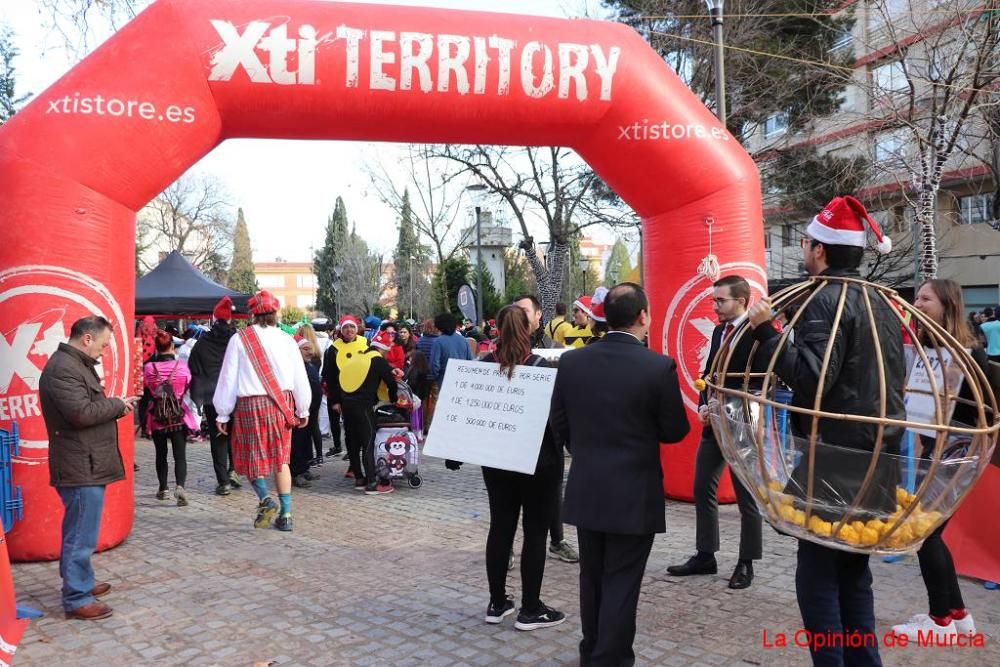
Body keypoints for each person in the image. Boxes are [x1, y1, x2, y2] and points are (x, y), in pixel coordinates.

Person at [747, 195, 905, 667]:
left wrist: (767, 332)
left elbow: (815, 379)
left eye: (808, 242)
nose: (803, 248)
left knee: (817, 574)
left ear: (820, 251)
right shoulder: (879, 300)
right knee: (855, 574)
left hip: (835, 452)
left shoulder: (825, 299)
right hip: (879, 450)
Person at [551, 283, 690, 665]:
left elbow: (559, 421)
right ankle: (608, 658)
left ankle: (591, 650)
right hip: (634, 491)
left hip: (588, 485)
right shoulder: (657, 366)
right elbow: (675, 430)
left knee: (592, 579)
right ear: (643, 316)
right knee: (622, 583)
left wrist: (585, 450)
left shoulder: (573, 362)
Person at [446, 305, 567, 631]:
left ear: (496, 329)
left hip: (497, 460)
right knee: (535, 533)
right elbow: (557, 420)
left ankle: (497, 603)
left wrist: (455, 448)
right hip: (539, 462)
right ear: (529, 328)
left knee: (500, 528)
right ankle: (531, 608)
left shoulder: (483, 365)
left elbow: (466, 409)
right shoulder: (542, 366)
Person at [890, 279, 985, 640]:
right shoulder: (926, 349)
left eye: (925, 298)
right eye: (916, 296)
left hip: (956, 456)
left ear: (947, 305)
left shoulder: (967, 354)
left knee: (925, 533)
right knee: (932, 533)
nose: (918, 302)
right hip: (937, 452)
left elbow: (977, 413)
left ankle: (940, 621)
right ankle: (959, 614)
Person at [39, 316, 139, 620]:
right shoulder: (62, 369)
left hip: (85, 461)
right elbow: (81, 413)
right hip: (79, 463)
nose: (104, 350)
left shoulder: (73, 365)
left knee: (80, 529)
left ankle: (80, 581)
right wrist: (117, 405)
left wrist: (114, 405)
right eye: (103, 344)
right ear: (87, 339)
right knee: (81, 534)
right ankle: (76, 597)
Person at [668, 275, 763, 589]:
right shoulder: (720, 330)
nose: (715, 306)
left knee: (746, 495)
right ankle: (705, 554)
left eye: (721, 300)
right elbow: (708, 374)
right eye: (714, 300)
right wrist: (703, 405)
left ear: (742, 300)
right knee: (702, 487)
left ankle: (746, 562)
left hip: (743, 421)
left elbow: (765, 381)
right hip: (716, 420)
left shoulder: (758, 332)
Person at [213, 290, 312, 532]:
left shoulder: (239, 339)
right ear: (275, 313)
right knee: (281, 460)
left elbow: (228, 378)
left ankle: (265, 500)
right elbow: (300, 376)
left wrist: (223, 412)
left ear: (252, 314)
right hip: (281, 404)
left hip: (250, 405)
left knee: (250, 458)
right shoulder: (288, 340)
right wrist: (303, 408)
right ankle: (287, 514)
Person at [512, 294, 577, 564]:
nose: (520, 316)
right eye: (515, 311)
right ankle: (506, 546)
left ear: (539, 315)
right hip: (514, 433)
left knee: (552, 492)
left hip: (550, 435)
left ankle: (557, 540)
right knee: (510, 496)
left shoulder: (556, 349)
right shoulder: (503, 349)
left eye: (524, 311)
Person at [188, 296, 241, 496]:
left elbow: (194, 368)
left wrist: (199, 394)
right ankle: (234, 470)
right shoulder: (236, 340)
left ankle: (224, 481)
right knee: (234, 436)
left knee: (219, 439)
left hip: (213, 398)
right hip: (234, 396)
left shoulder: (202, 343)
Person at [337, 330, 399, 494]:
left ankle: (359, 478)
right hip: (364, 406)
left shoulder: (359, 357)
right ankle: (372, 482)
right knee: (368, 442)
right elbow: (391, 384)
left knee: (352, 442)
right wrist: (393, 399)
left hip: (347, 405)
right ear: (383, 349)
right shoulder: (378, 360)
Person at [143, 330, 198, 507]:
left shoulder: (149, 368)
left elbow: (146, 389)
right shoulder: (182, 366)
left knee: (161, 455)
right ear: (173, 347)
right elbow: (190, 385)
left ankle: (163, 488)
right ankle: (180, 487)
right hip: (178, 416)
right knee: (180, 456)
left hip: (157, 416)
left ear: (157, 349)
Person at [322, 316, 370, 479]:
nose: (349, 330)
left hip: (363, 395)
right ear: (341, 330)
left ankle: (366, 466)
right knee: (350, 433)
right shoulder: (334, 349)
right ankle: (354, 466)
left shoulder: (366, 344)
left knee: (365, 432)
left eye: (352, 327)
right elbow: (330, 377)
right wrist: (335, 400)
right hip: (344, 396)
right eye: (345, 328)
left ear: (357, 328)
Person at [291, 340, 324, 489]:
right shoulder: (293, 368)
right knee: (297, 442)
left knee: (306, 441)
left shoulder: (309, 365)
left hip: (311, 411)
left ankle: (304, 469)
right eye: (305, 349)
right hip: (299, 411)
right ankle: (296, 473)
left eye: (310, 349)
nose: (310, 352)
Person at [430, 312, 473, 386]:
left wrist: (436, 377)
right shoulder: (463, 340)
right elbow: (470, 360)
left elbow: (434, 364)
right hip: (461, 380)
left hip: (444, 379)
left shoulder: (438, 342)